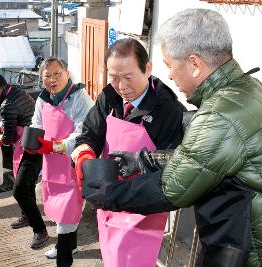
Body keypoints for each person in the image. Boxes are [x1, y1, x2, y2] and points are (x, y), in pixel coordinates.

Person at [83, 9, 262, 267]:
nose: (169, 75)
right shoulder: (248, 88)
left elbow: (173, 188)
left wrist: (110, 195)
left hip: (246, 247)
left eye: (170, 65)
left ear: (194, 64)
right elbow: (202, 157)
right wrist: (144, 160)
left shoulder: (218, 115)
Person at [72, 38, 185, 267]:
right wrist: (84, 154)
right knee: (112, 257)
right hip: (108, 200)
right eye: (114, 78)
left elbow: (173, 165)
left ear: (148, 68)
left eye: (128, 77)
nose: (121, 86)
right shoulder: (109, 98)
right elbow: (90, 135)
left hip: (144, 209)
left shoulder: (168, 110)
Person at [26, 57, 94, 267]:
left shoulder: (80, 98)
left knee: (68, 212)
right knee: (58, 210)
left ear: (67, 73)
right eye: (47, 76)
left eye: (57, 74)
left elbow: (85, 132)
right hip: (51, 166)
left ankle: (65, 257)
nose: (52, 79)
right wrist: (32, 141)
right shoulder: (43, 99)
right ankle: (69, 244)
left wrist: (54, 146)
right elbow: (37, 123)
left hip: (73, 164)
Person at [0, 73, 49, 249]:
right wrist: (1, 128)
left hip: (31, 146)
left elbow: (9, 137)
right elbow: (13, 121)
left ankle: (40, 230)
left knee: (19, 190)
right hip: (33, 141)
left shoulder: (7, 104)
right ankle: (27, 215)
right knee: (25, 186)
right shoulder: (17, 92)